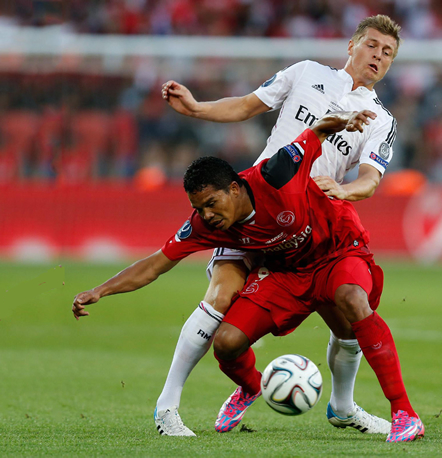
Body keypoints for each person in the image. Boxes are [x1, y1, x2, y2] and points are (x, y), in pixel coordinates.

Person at [72, 111, 424, 443]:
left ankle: (404, 413)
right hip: (287, 272)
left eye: (212, 203)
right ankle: (252, 386)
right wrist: (101, 290)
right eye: (199, 208)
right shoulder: (206, 225)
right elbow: (155, 264)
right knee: (226, 342)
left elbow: (317, 131)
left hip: (336, 251)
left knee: (351, 301)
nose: (207, 215)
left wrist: (346, 121)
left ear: (235, 189)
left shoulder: (278, 172)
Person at [158, 14, 400, 435]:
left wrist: (346, 191)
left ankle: (343, 407)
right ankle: (167, 407)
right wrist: (196, 108)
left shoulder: (381, 118)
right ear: (351, 45)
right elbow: (248, 105)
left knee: (347, 318)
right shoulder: (305, 73)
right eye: (373, 45)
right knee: (221, 295)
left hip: (312, 228)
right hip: (257, 209)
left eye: (388, 52)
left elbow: (370, 178)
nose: (378, 56)